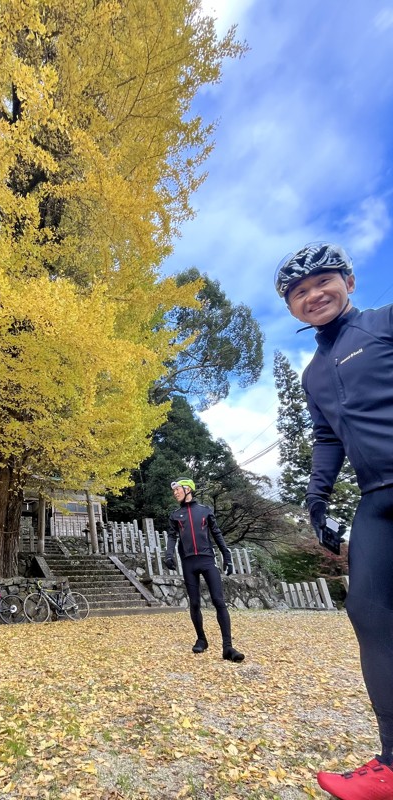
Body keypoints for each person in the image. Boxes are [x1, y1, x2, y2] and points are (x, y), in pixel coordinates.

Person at [275, 241, 393, 800]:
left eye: (322, 282)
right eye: (298, 291)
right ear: (291, 307)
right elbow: (327, 439)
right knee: (368, 614)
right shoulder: (314, 375)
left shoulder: (385, 324)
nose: (312, 294)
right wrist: (316, 502)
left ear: (347, 280)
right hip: (377, 500)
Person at [165, 478, 244, 663]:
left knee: (219, 601)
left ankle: (228, 647)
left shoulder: (205, 510)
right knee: (194, 603)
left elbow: (216, 533)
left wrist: (227, 556)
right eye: (174, 490)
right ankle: (201, 639)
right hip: (188, 563)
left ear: (187, 489)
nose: (175, 493)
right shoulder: (175, 515)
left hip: (208, 560)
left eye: (177, 489)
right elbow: (171, 536)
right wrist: (168, 555)